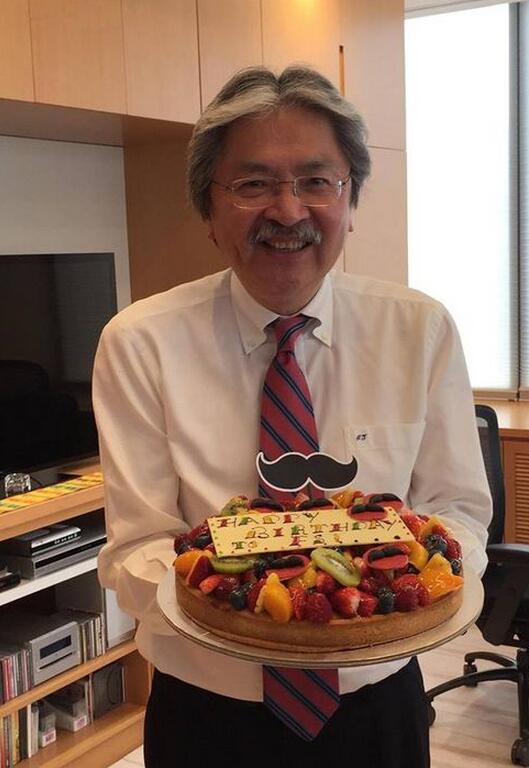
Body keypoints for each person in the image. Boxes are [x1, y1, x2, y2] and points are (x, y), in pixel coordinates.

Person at [93, 65, 492, 767]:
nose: (287, 211)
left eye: (316, 181)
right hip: (207, 712)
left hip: (378, 702)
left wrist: (378, 599)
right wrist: (246, 608)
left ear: (350, 199)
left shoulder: (419, 330)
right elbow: (139, 546)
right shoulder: (139, 343)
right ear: (208, 209)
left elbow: (456, 511)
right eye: (253, 184)